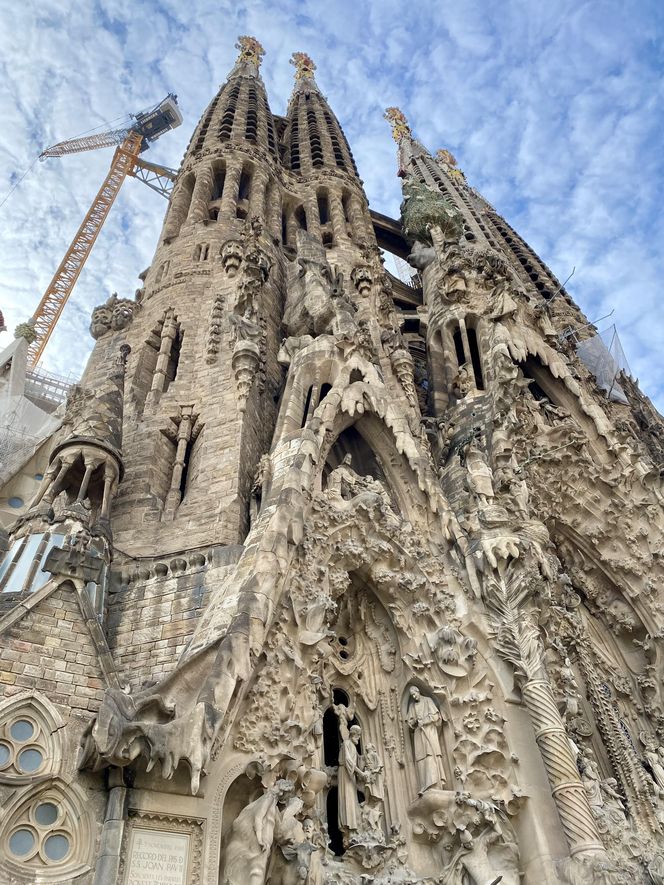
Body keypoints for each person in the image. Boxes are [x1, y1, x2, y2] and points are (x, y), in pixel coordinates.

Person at [406, 686, 447, 794]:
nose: (414, 697)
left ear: (418, 691)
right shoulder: (412, 706)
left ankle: (434, 783)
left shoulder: (428, 701)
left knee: (430, 754)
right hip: (419, 734)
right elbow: (409, 722)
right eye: (412, 695)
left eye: (414, 694)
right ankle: (424, 785)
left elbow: (436, 716)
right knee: (421, 757)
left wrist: (424, 721)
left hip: (429, 731)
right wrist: (414, 722)